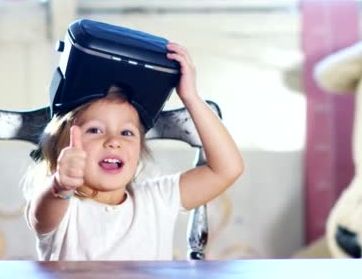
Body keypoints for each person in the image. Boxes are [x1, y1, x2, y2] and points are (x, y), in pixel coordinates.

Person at [23, 42, 244, 260]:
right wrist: (60, 186)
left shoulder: (157, 199)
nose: (113, 141)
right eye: (95, 130)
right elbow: (40, 217)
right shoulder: (63, 205)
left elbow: (227, 169)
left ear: (139, 149)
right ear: (63, 147)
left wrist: (191, 98)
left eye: (126, 133)